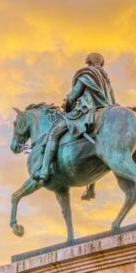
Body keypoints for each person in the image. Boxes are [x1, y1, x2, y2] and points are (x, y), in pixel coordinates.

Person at [33, 53, 117, 199]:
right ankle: (91, 188)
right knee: (95, 146)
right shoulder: (106, 79)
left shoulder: (86, 74)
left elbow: (74, 95)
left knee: (53, 133)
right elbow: (113, 101)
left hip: (84, 112)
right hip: (102, 112)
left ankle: (44, 170)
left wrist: (67, 105)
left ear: (88, 61)